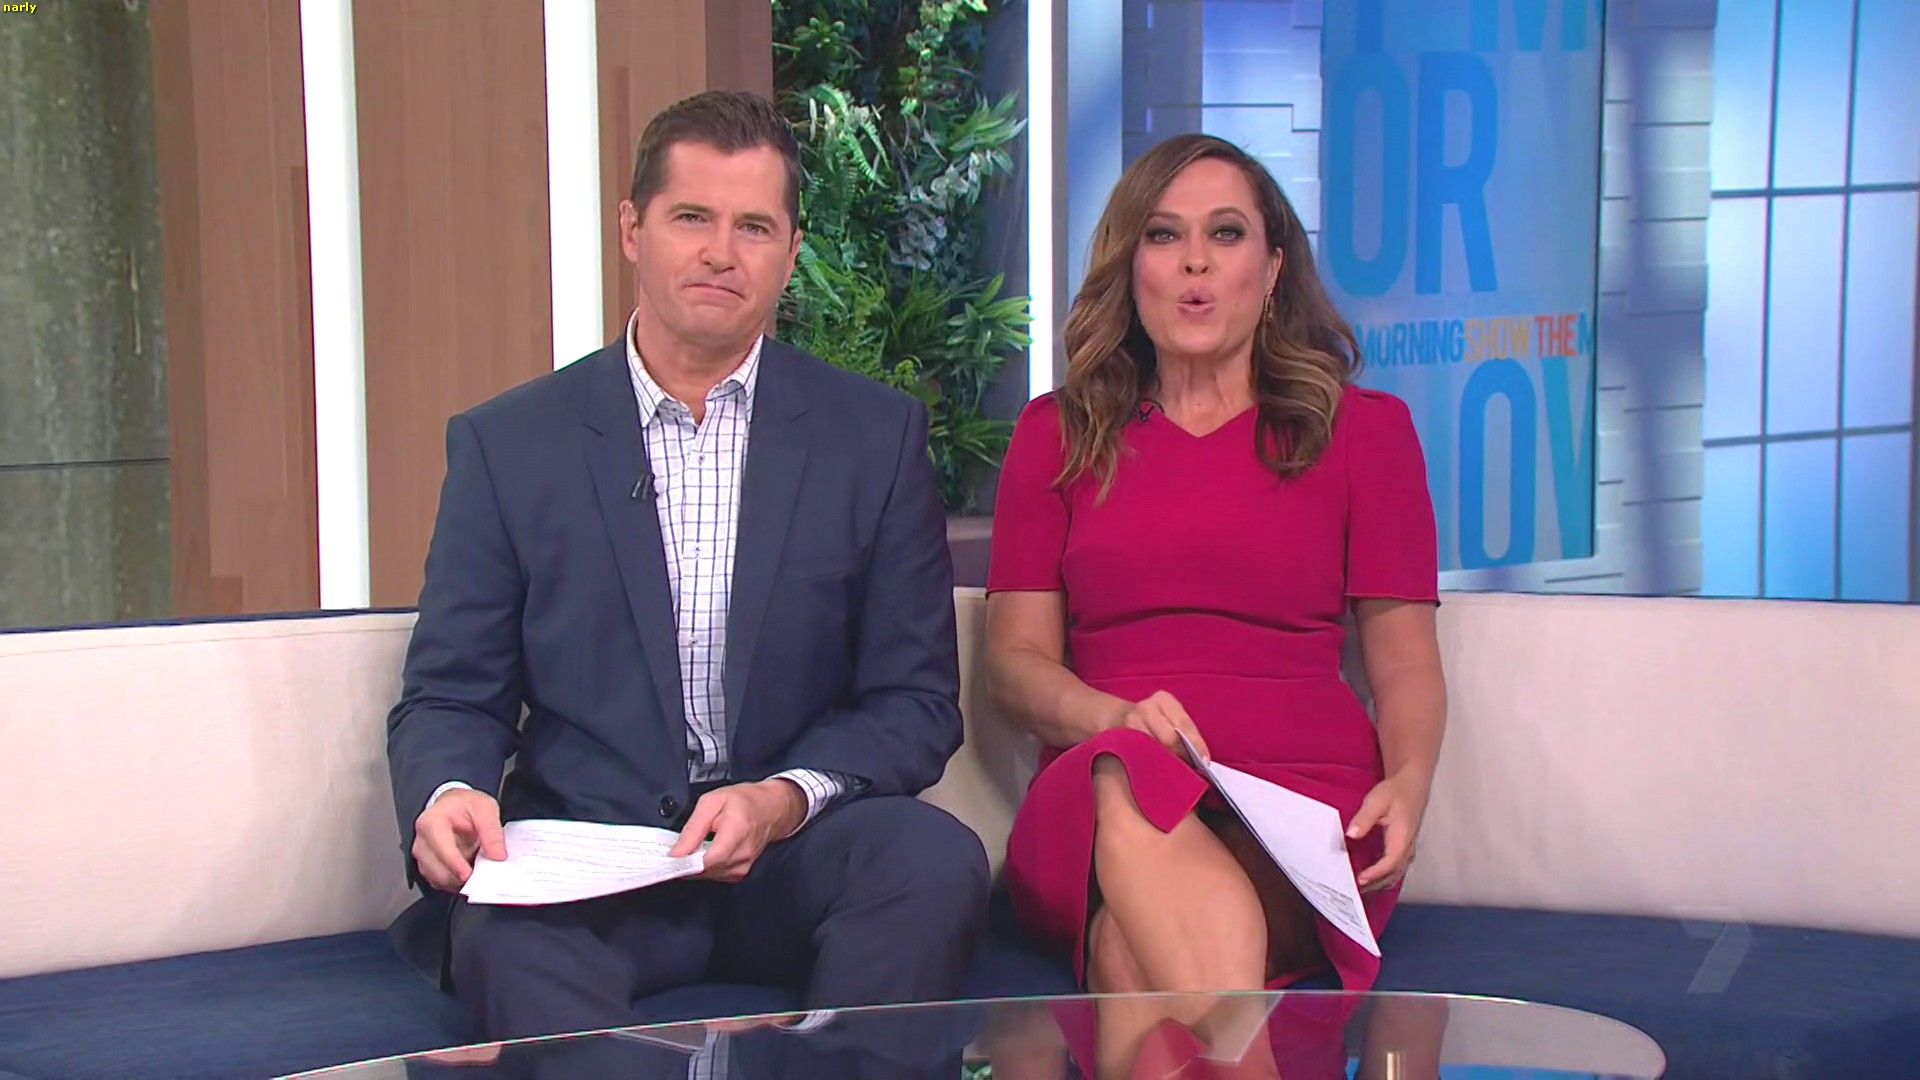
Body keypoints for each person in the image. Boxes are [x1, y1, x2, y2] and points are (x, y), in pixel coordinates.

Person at [385, 89, 988, 1043]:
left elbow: (914, 702)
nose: (720, 252)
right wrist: (449, 793)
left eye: (755, 227)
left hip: (791, 853)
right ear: (633, 230)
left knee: (933, 861)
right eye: (692, 218)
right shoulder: (512, 446)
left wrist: (782, 800)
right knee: (499, 936)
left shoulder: (873, 440)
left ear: (791, 252)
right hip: (589, 863)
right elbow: (452, 694)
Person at [983, 133, 1447, 1072]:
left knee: (1128, 957)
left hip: (1304, 808)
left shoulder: (1366, 434)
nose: (1195, 262)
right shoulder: (1056, 436)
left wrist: (1409, 781)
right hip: (1104, 793)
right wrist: (1112, 718)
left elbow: (1404, 661)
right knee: (1128, 771)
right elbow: (1015, 666)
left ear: (1272, 270)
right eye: (1164, 236)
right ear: (1132, 268)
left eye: (1225, 234)